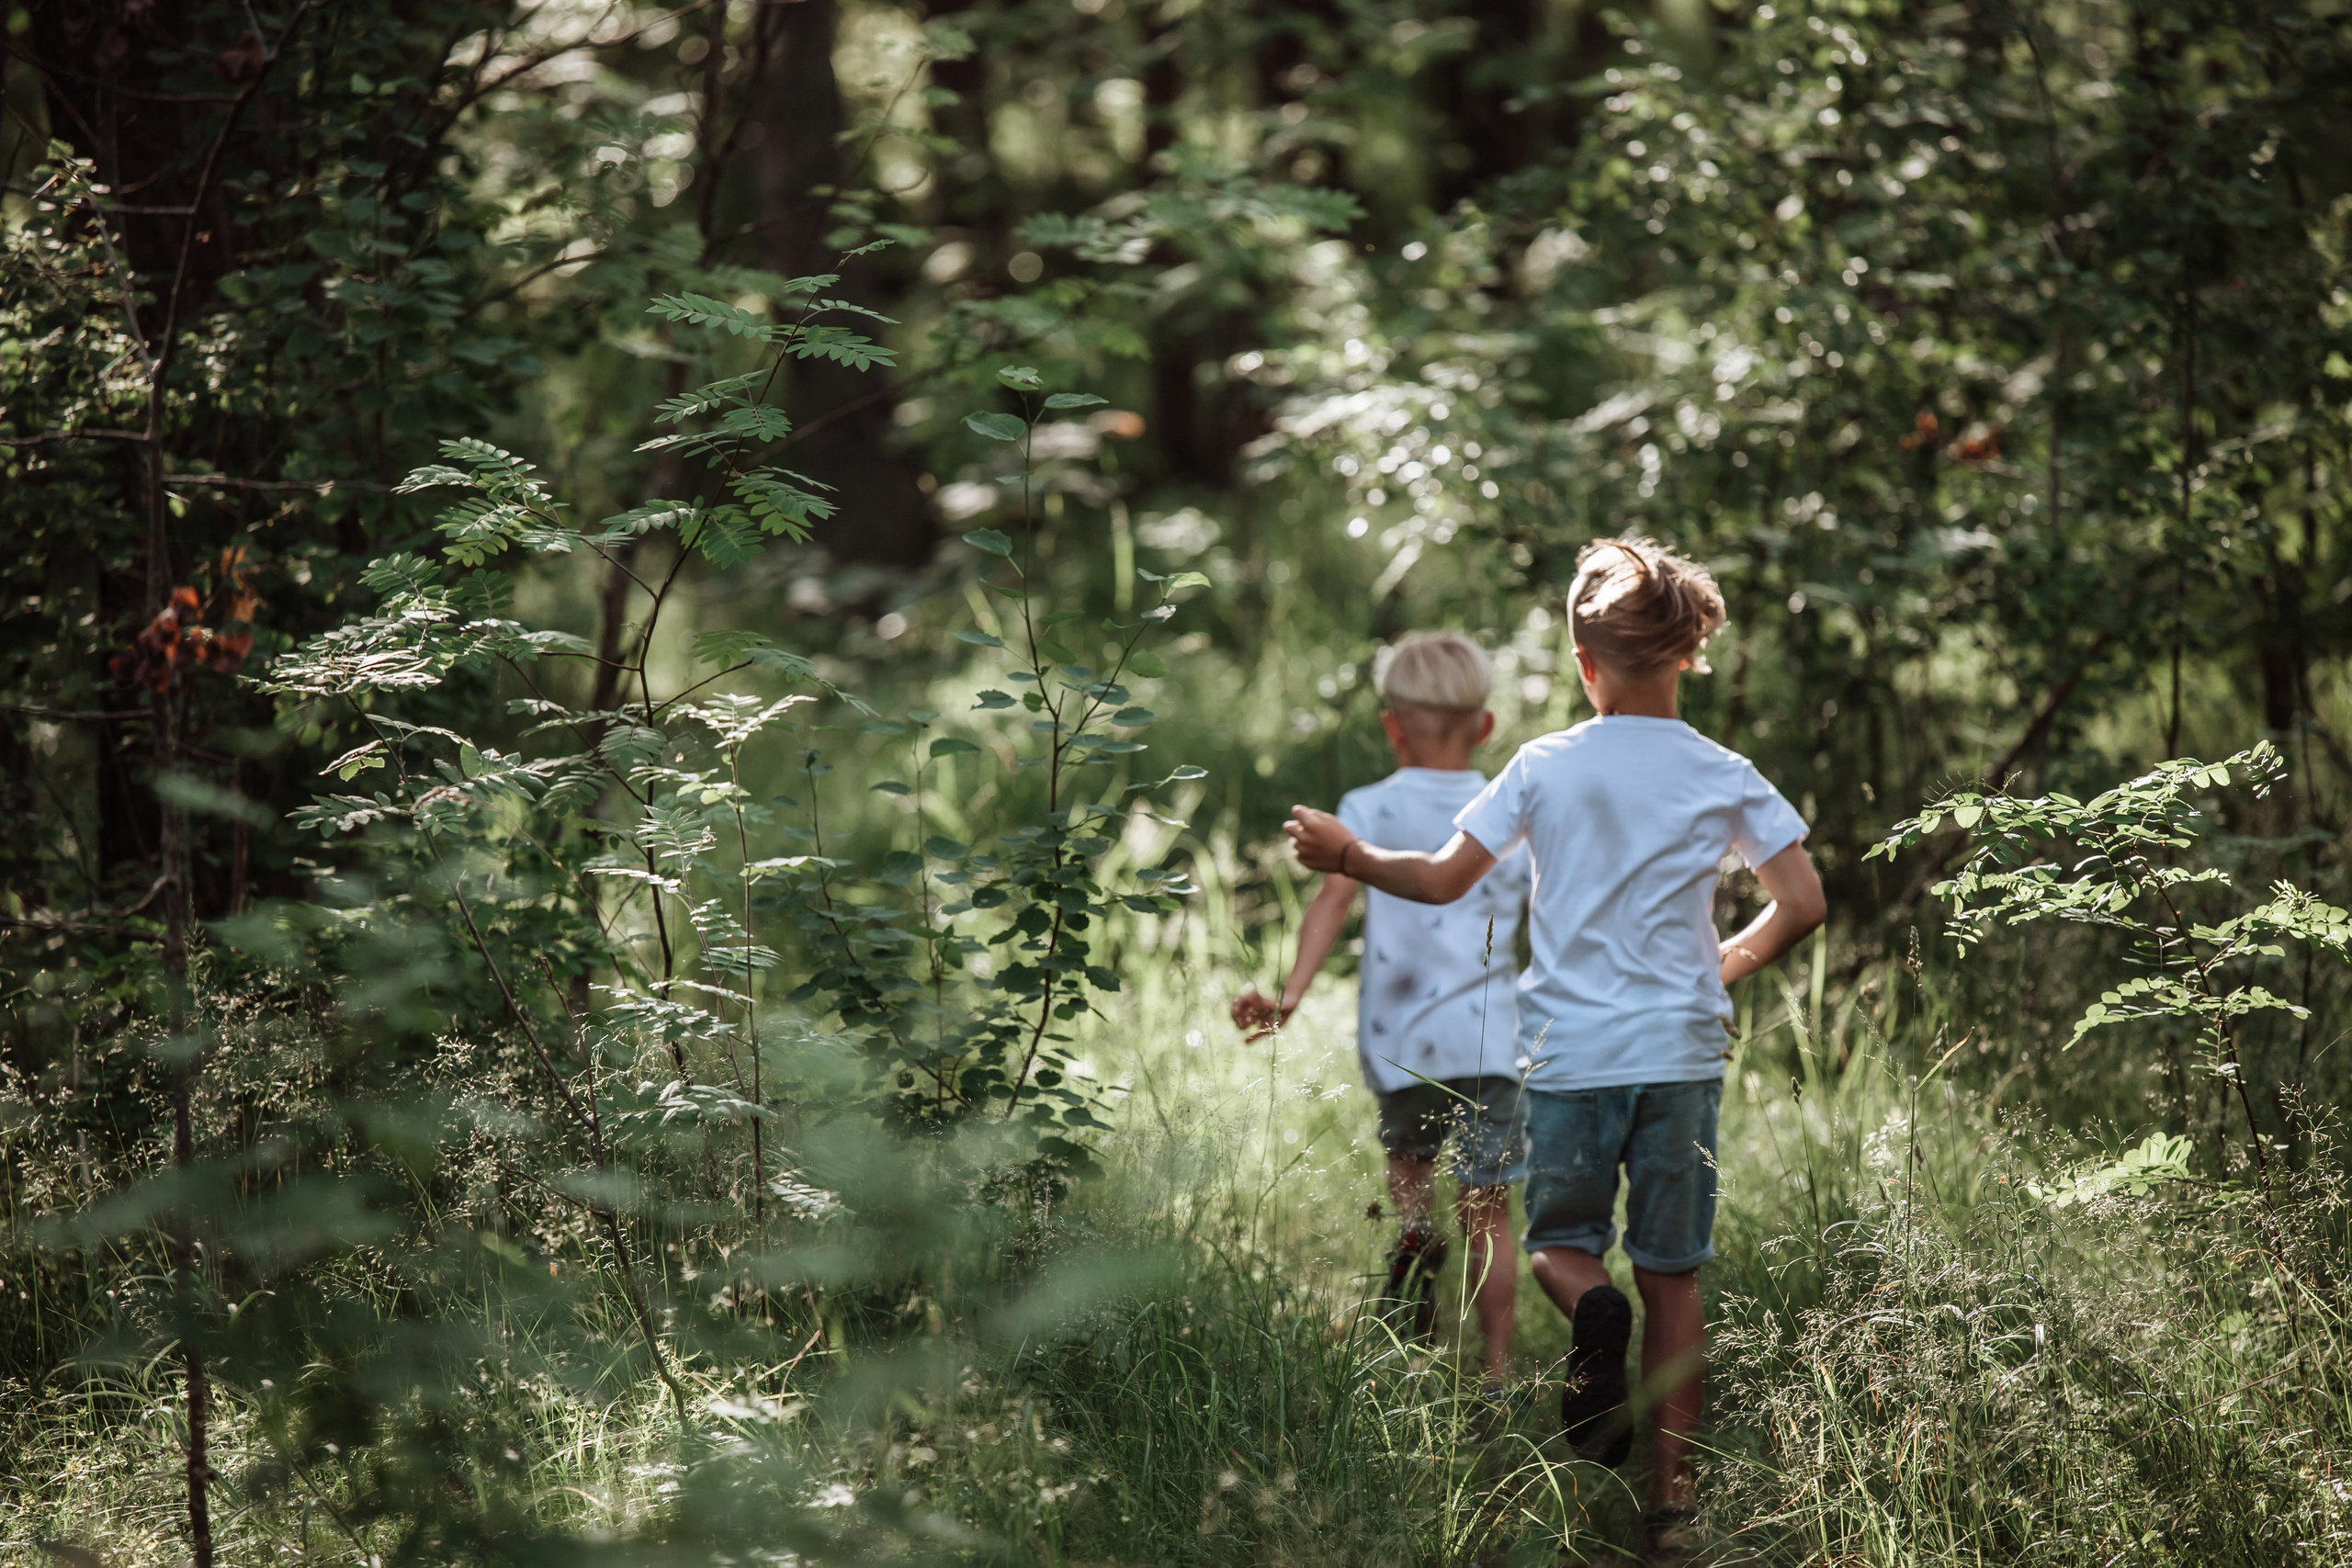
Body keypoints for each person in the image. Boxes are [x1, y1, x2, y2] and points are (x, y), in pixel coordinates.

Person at [1283, 540, 1826, 1562]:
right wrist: (1722, 966)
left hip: (1572, 1059)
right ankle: (1671, 1513)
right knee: (1675, 1276)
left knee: (1556, 1246)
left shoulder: (1542, 766)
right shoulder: (1723, 773)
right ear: (1686, 655)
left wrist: (1346, 855)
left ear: (1584, 663)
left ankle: (1590, 1307)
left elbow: (1442, 879)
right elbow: (1801, 903)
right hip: (1679, 1059)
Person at [1232, 631, 1530, 1382]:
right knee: (1490, 1215)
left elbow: (1332, 901)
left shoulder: (1364, 809)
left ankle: (1415, 1267)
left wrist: (1291, 996)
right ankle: (1495, 1372)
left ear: (1390, 723)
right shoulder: (1509, 808)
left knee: (1412, 1178)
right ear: (1485, 726)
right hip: (1497, 1043)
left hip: (1406, 1041)